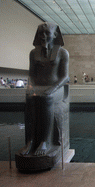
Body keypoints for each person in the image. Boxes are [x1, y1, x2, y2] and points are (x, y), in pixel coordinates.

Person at [20, 22, 69, 156]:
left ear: (54, 35)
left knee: (46, 98)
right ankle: (30, 141)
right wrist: (31, 87)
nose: (43, 36)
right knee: (30, 98)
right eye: (41, 33)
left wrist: (52, 88)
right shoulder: (33, 53)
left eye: (47, 33)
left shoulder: (62, 52)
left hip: (56, 88)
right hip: (39, 86)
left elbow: (65, 77)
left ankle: (44, 141)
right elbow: (31, 74)